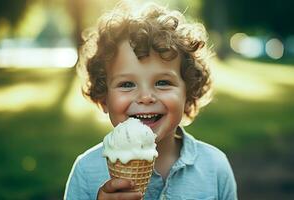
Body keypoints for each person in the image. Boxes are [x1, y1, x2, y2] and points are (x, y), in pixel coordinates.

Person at [64, 2, 237, 200]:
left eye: (163, 82)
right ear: (104, 97)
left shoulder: (215, 168)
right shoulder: (86, 172)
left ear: (187, 94)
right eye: (127, 84)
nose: (145, 97)